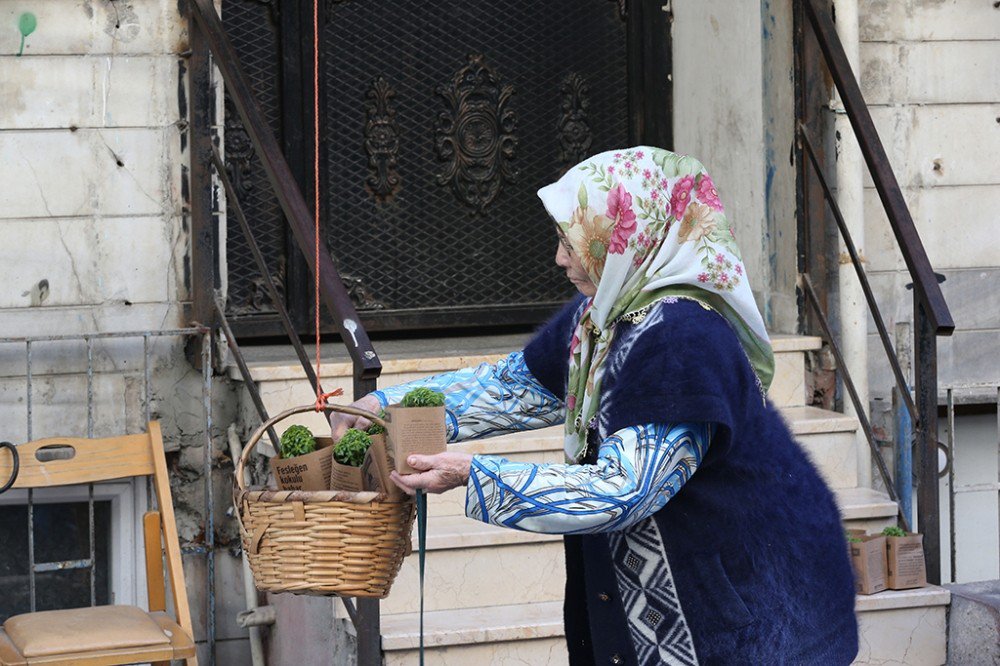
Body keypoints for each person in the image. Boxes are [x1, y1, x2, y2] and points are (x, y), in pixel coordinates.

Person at [331, 147, 858, 665]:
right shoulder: (600, 317)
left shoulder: (682, 339)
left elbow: (625, 489)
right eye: (561, 238)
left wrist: (475, 475)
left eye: (573, 240)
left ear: (631, 239)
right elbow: (513, 386)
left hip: (752, 616)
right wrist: (384, 407)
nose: (559, 258)